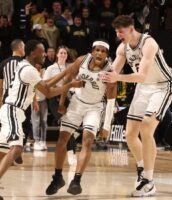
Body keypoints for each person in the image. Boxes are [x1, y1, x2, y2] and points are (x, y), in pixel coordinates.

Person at [100, 15, 172, 197]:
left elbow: (140, 76)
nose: (118, 35)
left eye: (121, 32)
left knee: (147, 127)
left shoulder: (149, 44)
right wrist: (100, 76)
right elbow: (113, 71)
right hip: (144, 88)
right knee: (130, 134)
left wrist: (117, 78)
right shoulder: (122, 48)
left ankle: (149, 181)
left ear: (131, 29)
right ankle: (142, 169)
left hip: (161, 86)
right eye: (117, 32)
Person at [0, 40, 84, 199]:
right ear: (32, 53)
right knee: (17, 148)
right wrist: (70, 84)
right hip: (12, 110)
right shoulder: (29, 70)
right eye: (42, 51)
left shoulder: (27, 68)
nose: (45, 54)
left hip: (12, 111)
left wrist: (66, 73)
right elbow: (49, 92)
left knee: (3, 151)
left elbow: (45, 83)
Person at [45, 39, 117, 196]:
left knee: (87, 141)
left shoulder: (110, 72)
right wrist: (62, 102)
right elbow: (68, 79)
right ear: (92, 51)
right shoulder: (81, 60)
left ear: (106, 55)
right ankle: (57, 177)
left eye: (103, 51)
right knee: (61, 141)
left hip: (95, 108)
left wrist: (106, 126)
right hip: (76, 103)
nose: (99, 53)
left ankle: (76, 180)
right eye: (97, 50)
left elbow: (111, 100)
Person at [0, 39, 25, 164]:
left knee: (7, 128)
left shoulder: (3, 63)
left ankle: (14, 149)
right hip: (20, 101)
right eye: (23, 46)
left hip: (6, 101)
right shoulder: (25, 63)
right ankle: (15, 150)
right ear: (20, 47)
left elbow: (0, 84)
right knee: (22, 127)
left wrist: (0, 100)